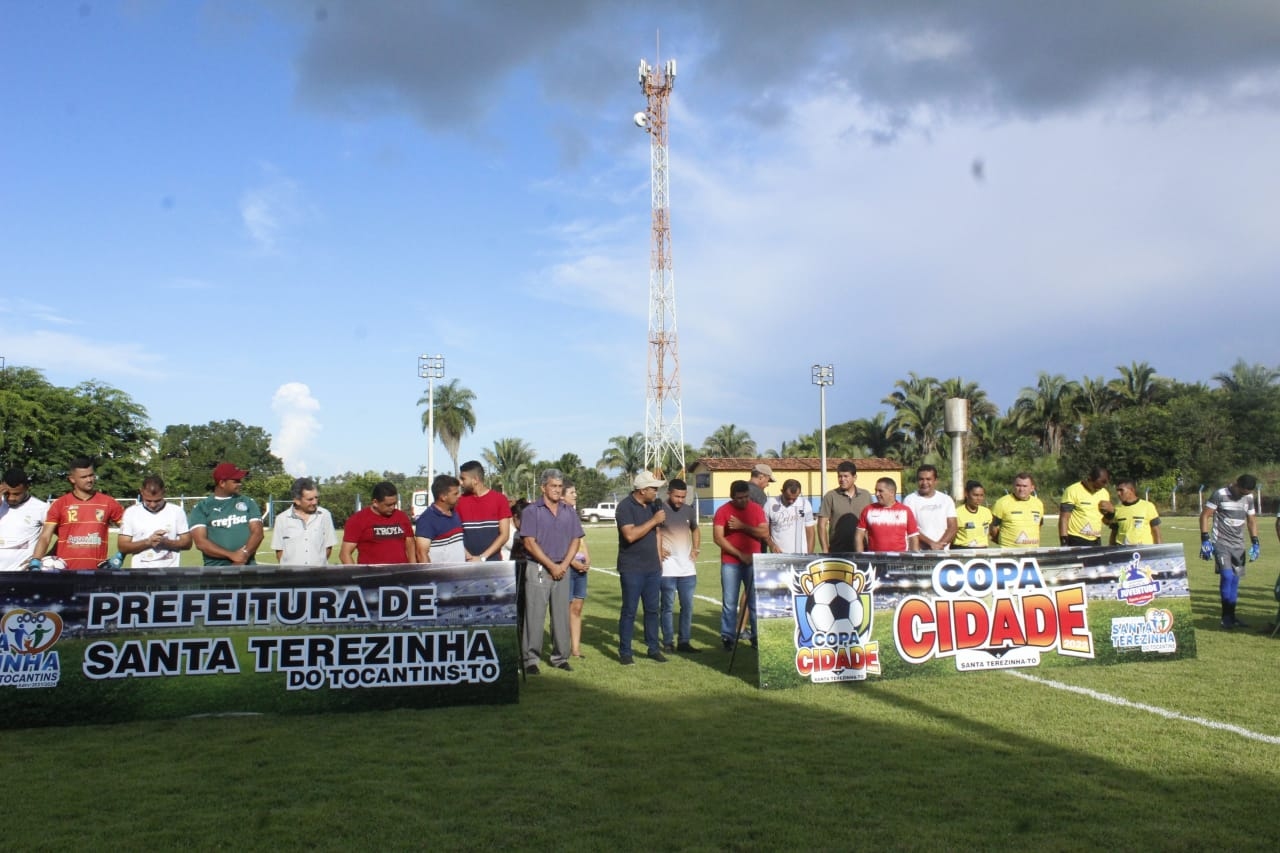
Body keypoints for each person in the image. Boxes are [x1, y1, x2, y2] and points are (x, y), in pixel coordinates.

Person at [519, 469, 583, 673]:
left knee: (561, 616)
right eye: (553, 486)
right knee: (535, 615)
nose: (557, 490)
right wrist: (551, 565)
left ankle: (560, 657)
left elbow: (575, 539)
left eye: (559, 486)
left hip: (562, 569)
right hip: (538, 568)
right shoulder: (531, 511)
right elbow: (529, 543)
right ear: (543, 488)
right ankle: (531, 659)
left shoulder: (568, 511)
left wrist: (563, 565)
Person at [31, 456, 125, 570]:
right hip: (65, 573)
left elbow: (130, 531)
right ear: (72, 479)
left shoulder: (109, 503)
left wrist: (120, 556)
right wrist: (35, 561)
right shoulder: (59, 504)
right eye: (84, 477)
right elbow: (45, 537)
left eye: (91, 475)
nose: (89, 480)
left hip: (97, 573)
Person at [616, 470, 668, 665]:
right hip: (632, 568)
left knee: (653, 610)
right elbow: (630, 535)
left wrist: (659, 561)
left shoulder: (653, 506)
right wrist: (653, 520)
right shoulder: (625, 507)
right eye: (654, 489)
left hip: (652, 568)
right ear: (642, 490)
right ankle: (625, 652)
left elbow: (657, 534)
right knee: (629, 610)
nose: (657, 492)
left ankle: (653, 648)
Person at [1200, 474, 1259, 629]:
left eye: (1247, 493)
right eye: (1243, 492)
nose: (1244, 495)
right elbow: (1205, 515)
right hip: (1221, 543)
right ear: (1237, 485)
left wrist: (1255, 542)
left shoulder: (1249, 498)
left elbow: (1251, 520)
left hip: (1239, 545)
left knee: (1235, 580)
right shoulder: (1220, 494)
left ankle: (1231, 617)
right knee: (1227, 576)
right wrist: (1205, 539)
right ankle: (1225, 618)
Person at [714, 479, 768, 649]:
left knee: (754, 601)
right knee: (730, 601)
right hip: (731, 562)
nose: (743, 501)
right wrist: (739, 554)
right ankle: (728, 637)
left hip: (753, 561)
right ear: (732, 497)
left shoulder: (756, 509)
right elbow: (718, 538)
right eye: (739, 498)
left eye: (746, 497)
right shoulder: (723, 511)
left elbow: (764, 531)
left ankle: (756, 636)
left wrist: (742, 526)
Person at [189, 463, 264, 566]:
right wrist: (231, 555)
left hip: (247, 568)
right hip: (215, 571)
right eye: (236, 481)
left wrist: (244, 555)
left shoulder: (248, 502)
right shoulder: (202, 507)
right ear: (222, 483)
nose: (240, 484)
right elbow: (201, 543)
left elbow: (258, 533)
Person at [659, 477, 701, 653]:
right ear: (669, 493)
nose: (680, 500)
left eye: (683, 497)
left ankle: (684, 641)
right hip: (667, 568)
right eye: (677, 496)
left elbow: (695, 529)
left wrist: (696, 548)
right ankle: (668, 642)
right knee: (667, 607)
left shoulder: (689, 511)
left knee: (687, 606)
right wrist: (658, 548)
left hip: (687, 569)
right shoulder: (660, 509)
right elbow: (653, 531)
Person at [118, 475, 192, 568]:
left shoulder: (177, 511)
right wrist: (148, 542)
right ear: (141, 492)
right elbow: (122, 546)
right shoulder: (131, 512)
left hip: (170, 576)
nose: (153, 505)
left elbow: (188, 543)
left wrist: (166, 543)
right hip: (141, 575)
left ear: (164, 492)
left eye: (157, 500)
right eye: (148, 500)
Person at [339, 481, 415, 565]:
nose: (393, 507)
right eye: (388, 505)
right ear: (375, 502)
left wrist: (413, 571)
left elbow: (410, 546)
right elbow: (344, 554)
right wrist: (357, 576)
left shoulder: (402, 517)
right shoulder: (357, 520)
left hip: (401, 575)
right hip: (372, 576)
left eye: (394, 504)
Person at [271, 477, 337, 566]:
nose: (315, 502)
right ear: (297, 500)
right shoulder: (282, 519)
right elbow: (279, 551)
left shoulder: (324, 515)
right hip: (292, 577)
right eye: (310, 499)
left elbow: (328, 547)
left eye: (316, 498)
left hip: (318, 577)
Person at [456, 460, 512, 562]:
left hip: (493, 564)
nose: (460, 482)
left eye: (463, 479)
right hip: (466, 564)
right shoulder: (459, 502)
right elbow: (455, 535)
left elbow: (504, 535)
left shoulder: (500, 500)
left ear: (475, 480)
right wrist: (467, 556)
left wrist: (482, 557)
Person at [816, 460, 873, 554]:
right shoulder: (830, 496)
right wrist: (825, 550)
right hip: (837, 550)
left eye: (846, 476)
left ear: (854, 477)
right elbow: (822, 525)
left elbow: (871, 523)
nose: (842, 479)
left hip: (862, 550)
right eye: (840, 476)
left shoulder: (866, 495)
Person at [562, 480, 591, 659]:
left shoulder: (573, 515)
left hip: (581, 567)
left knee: (577, 608)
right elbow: (559, 544)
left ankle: (576, 650)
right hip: (568, 566)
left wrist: (587, 557)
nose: (575, 495)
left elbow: (580, 540)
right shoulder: (558, 515)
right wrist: (572, 562)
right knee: (564, 609)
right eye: (572, 492)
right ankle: (563, 648)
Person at [0, 468, 48, 571]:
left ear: (27, 488)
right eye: (7, 493)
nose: (11, 498)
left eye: (17, 494)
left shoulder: (41, 508)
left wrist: (39, 559)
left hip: (21, 576)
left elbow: (59, 536)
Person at [856, 477, 920, 552]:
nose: (877, 494)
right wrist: (860, 556)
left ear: (892, 492)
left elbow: (913, 537)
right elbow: (859, 535)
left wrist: (913, 559)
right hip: (874, 560)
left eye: (880, 491)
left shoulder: (905, 511)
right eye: (876, 490)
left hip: (899, 560)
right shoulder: (868, 510)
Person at [902, 465, 957, 550]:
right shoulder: (909, 500)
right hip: (920, 552)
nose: (924, 483)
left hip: (942, 551)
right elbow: (910, 528)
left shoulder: (946, 499)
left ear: (935, 481)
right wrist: (931, 544)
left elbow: (952, 527)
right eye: (921, 479)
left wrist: (939, 545)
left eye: (928, 479)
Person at [414, 474, 466, 564]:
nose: (459, 496)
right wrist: (430, 577)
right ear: (443, 497)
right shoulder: (426, 520)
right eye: (455, 494)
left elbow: (456, 545)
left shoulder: (455, 514)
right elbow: (421, 554)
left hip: (460, 575)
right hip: (442, 576)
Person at [1059, 466, 1113, 546]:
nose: (1098, 489)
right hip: (1076, 539)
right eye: (1095, 487)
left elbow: (1105, 521)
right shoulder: (1072, 490)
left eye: (1105, 483)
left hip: (1096, 539)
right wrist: (1064, 542)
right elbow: (1064, 518)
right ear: (1090, 479)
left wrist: (1111, 513)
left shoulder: (1104, 493)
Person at [989, 473, 1045, 548]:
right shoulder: (1002, 503)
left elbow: (1039, 525)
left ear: (1032, 488)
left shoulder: (1038, 503)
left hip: (1033, 551)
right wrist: (1004, 542)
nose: (1021, 489)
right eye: (1018, 485)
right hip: (1009, 552)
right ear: (1013, 486)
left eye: (1025, 486)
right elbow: (992, 529)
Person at [765, 478, 815, 554]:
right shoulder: (770, 504)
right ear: (782, 491)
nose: (791, 501)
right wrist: (771, 545)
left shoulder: (805, 504)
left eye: (794, 499)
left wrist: (810, 554)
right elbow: (764, 529)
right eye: (788, 498)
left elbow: (810, 532)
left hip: (801, 555)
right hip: (779, 555)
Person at [1109, 478, 1162, 546]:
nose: (1118, 493)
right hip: (1123, 550)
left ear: (1132, 490)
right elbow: (1114, 533)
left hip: (1144, 551)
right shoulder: (1116, 509)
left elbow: (1156, 532)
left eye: (1121, 490)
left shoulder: (1148, 506)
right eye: (1117, 491)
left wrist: (1159, 550)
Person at [953, 480, 993, 548]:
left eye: (981, 495)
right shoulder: (957, 513)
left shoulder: (986, 512)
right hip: (963, 550)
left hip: (982, 551)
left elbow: (989, 532)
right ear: (966, 494)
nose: (979, 498)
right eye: (975, 495)